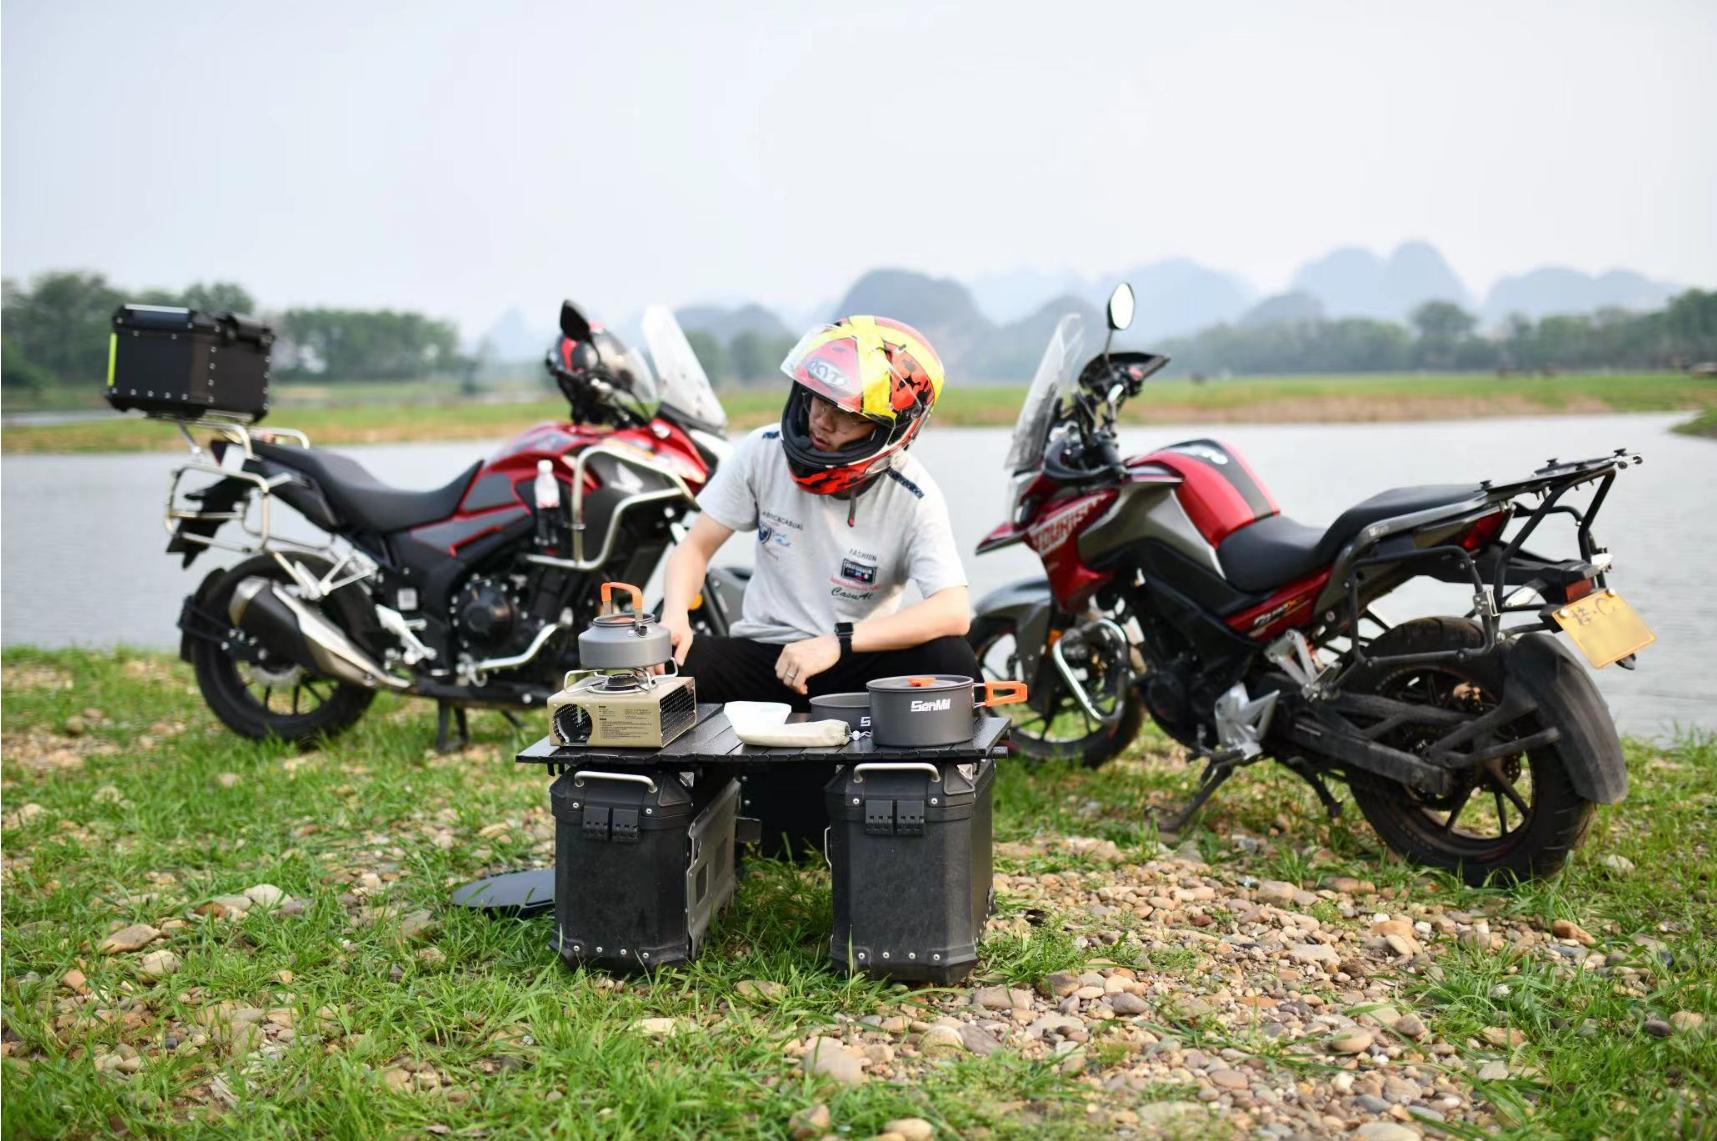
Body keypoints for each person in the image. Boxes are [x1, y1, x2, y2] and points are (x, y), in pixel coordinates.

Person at [660, 315, 981, 707]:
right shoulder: (763, 450)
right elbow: (695, 548)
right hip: (764, 655)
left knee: (950, 659)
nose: (821, 421)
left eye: (845, 414)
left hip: (851, 663)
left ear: (889, 429)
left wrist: (838, 642)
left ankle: (948, 769)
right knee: (663, 664)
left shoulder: (914, 497)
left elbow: (953, 611)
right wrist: (675, 616)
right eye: (818, 399)